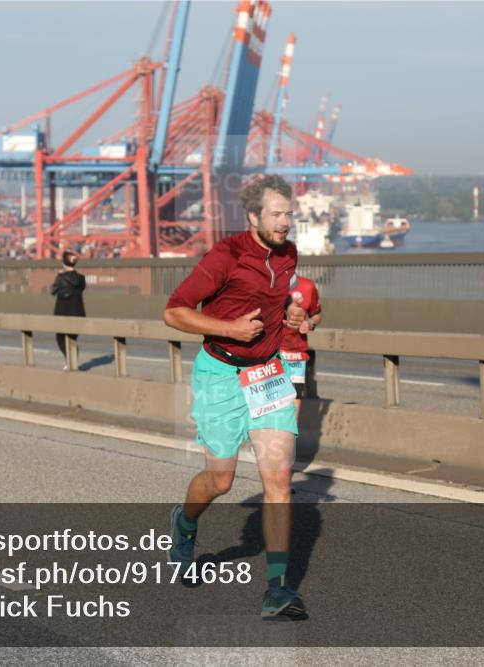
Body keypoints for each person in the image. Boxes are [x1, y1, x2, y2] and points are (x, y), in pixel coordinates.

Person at [163, 174, 309, 620]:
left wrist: (293, 316)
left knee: (279, 480)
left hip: (268, 374)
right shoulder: (225, 255)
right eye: (276, 215)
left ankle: (278, 590)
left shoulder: (288, 255)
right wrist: (229, 329)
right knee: (221, 481)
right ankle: (185, 523)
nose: (286, 222)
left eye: (289, 213)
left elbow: (275, 307)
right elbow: (173, 312)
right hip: (221, 372)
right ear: (253, 217)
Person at [280, 275, 323, 420]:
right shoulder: (265, 281)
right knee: (270, 407)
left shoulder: (308, 286)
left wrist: (309, 323)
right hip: (271, 353)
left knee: (293, 410)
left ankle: (292, 442)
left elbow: (317, 315)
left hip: (296, 355)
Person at [50, 251, 86, 370]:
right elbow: (81, 289)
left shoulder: (60, 277)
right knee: (72, 338)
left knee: (60, 338)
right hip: (78, 312)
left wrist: (59, 276)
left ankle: (70, 361)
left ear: (63, 263)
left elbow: (52, 291)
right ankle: (73, 362)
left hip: (62, 312)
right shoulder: (81, 278)